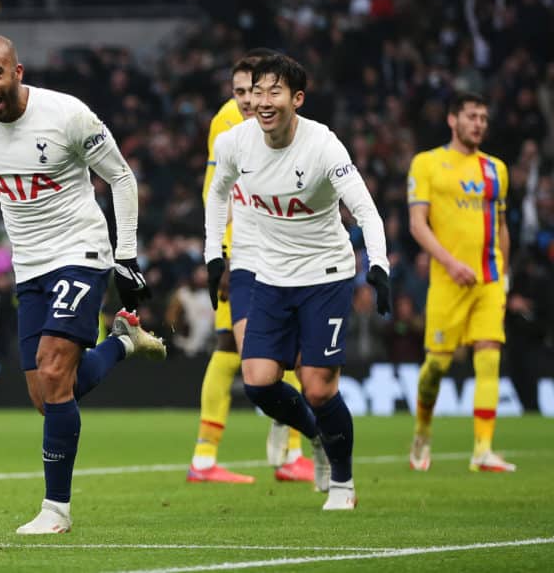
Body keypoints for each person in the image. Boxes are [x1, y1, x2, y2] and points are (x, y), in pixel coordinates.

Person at [0, 34, 166, 534]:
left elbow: (122, 178)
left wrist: (126, 256)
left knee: (53, 367)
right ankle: (123, 342)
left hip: (81, 252)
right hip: (30, 264)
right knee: (47, 392)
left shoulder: (68, 116)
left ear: (17, 71)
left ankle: (56, 510)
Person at [204, 54, 391, 510]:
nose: (263, 102)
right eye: (257, 91)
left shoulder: (323, 146)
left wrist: (379, 265)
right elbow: (217, 191)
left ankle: (343, 483)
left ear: (297, 98)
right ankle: (316, 435)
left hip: (324, 274)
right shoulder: (234, 143)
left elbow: (364, 209)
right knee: (259, 381)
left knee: (319, 386)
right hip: (267, 272)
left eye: (275, 92)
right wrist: (214, 256)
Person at [189, 51, 314, 485]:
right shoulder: (228, 124)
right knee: (241, 350)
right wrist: (220, 256)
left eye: (254, 90)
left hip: (274, 253)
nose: (247, 99)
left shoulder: (276, 120)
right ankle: (285, 447)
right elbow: (217, 194)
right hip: (242, 257)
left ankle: (211, 458)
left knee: (235, 350)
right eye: (240, 91)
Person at [407, 92, 515, 472]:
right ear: (453, 120)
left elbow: (501, 225)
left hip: (488, 278)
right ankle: (422, 433)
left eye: (484, 118)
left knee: (489, 356)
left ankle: (483, 450)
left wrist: (505, 272)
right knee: (436, 366)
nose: (479, 124)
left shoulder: (495, 169)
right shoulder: (428, 164)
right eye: (472, 116)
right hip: (448, 280)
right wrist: (450, 263)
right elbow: (417, 224)